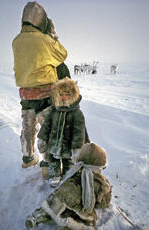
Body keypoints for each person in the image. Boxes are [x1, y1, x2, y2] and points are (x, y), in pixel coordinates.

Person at [12, 1, 68, 168]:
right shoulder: (45, 40)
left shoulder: (16, 41)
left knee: (28, 127)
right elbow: (62, 55)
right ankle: (47, 164)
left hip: (26, 95)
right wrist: (53, 34)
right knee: (47, 130)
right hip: (45, 93)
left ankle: (28, 158)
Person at [25, 142, 112, 230]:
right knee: (62, 210)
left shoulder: (83, 175)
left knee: (56, 203)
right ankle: (44, 217)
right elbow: (105, 200)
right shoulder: (92, 178)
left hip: (71, 209)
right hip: (76, 212)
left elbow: (64, 188)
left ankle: (40, 215)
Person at [37, 77, 87, 187]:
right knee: (53, 160)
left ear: (73, 95)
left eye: (67, 94)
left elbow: (79, 132)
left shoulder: (77, 113)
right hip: (53, 144)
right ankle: (54, 176)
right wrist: (42, 138)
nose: (64, 97)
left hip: (68, 147)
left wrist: (77, 149)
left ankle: (67, 178)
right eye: (61, 95)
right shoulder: (54, 110)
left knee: (68, 163)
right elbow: (46, 126)